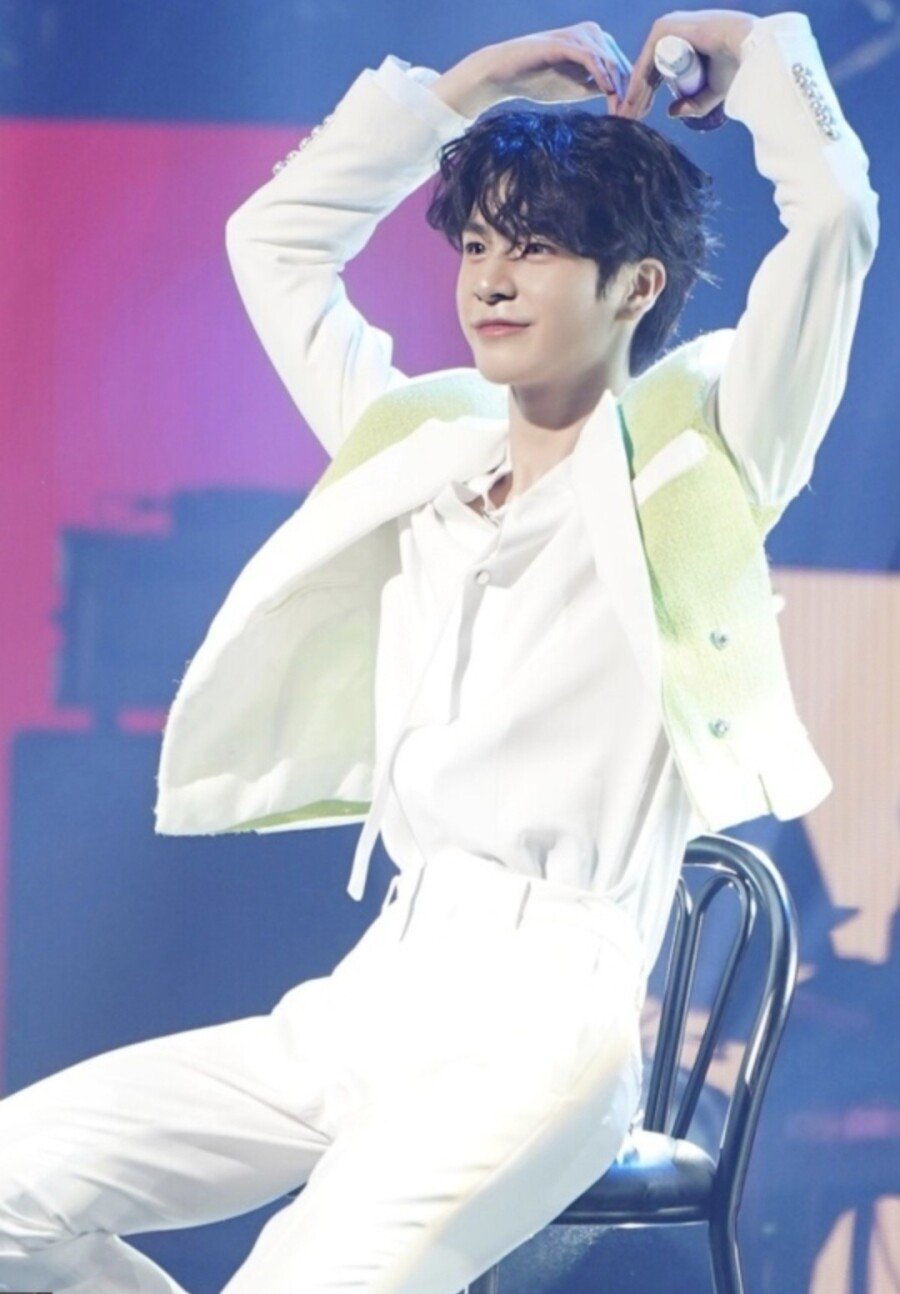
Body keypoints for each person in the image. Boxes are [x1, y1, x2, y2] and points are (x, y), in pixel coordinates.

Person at [0, 11, 878, 1293]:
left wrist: (754, 55)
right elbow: (274, 241)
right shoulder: (418, 445)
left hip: (546, 1025)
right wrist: (454, 96)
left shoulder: (704, 451)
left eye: (537, 248)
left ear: (636, 286)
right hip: (375, 989)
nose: (491, 281)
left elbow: (839, 220)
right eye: (477, 245)